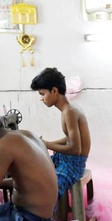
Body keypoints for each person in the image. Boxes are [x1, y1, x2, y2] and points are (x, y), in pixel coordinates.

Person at [31, 67, 91, 198]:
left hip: (73, 166)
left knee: (46, 192)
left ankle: (52, 217)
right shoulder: (68, 109)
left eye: (42, 94)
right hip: (64, 159)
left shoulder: (69, 112)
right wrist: (43, 143)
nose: (42, 99)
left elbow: (75, 149)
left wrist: (46, 144)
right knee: (32, 169)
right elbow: (69, 138)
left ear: (54, 91)